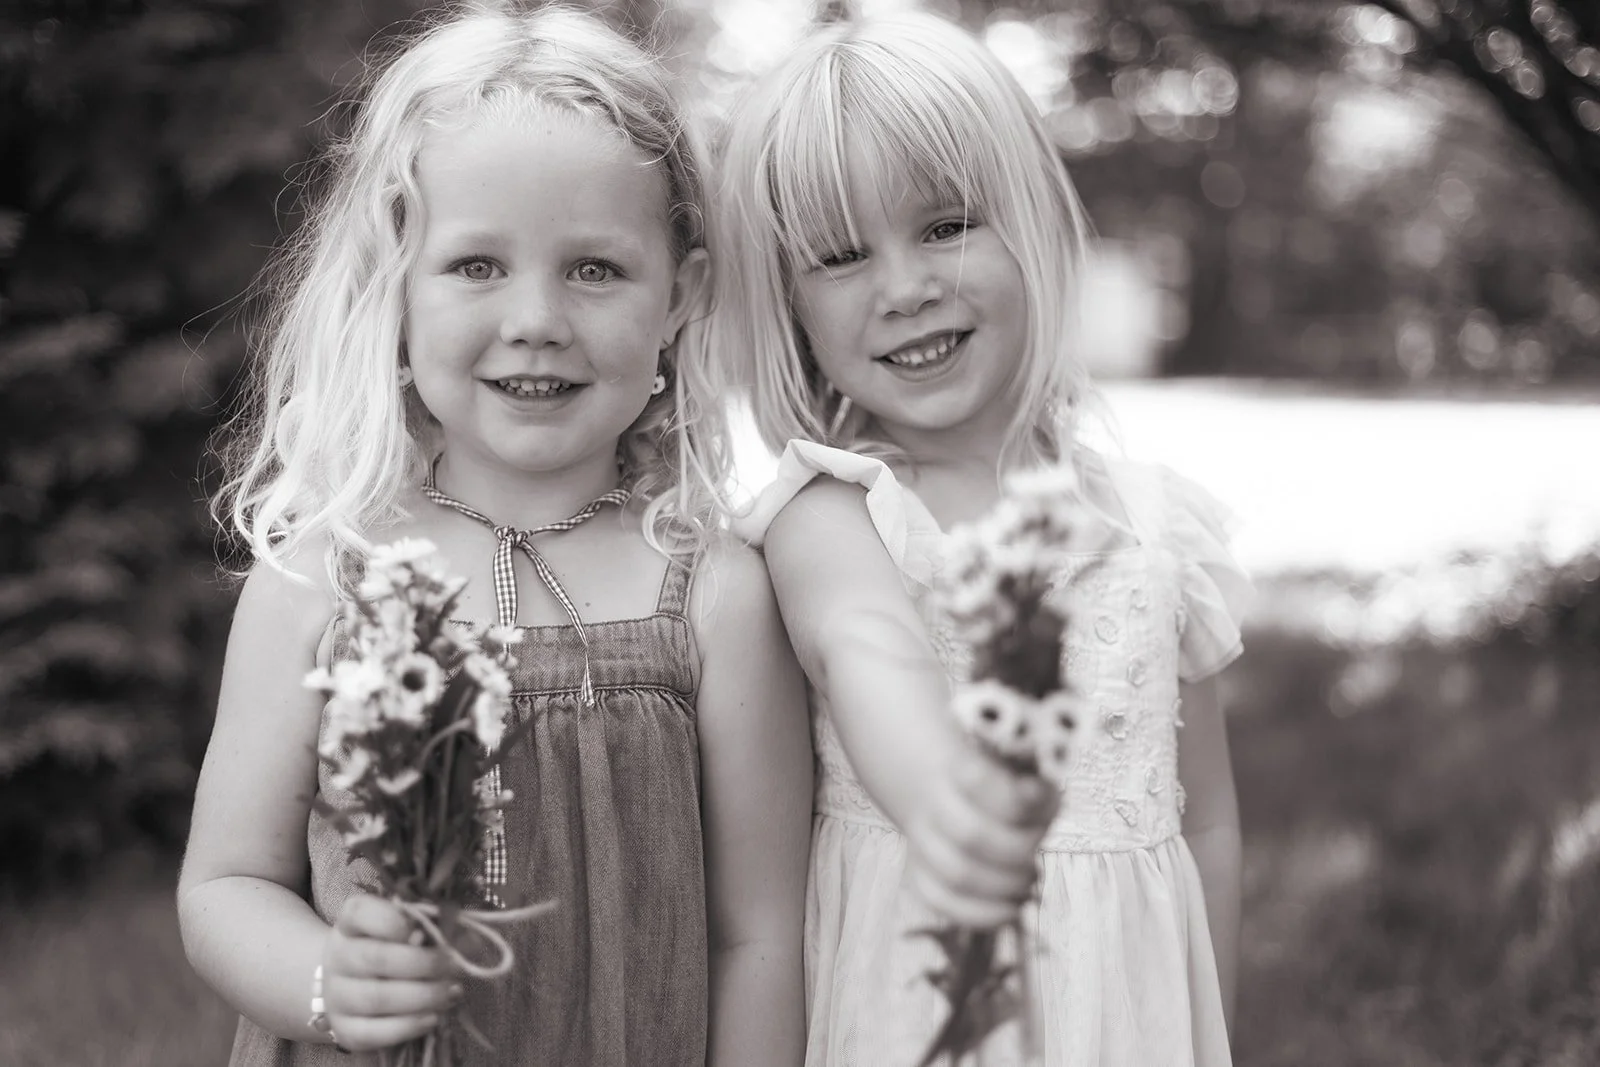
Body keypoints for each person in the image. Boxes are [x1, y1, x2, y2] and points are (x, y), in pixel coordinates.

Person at [178, 6, 811, 1065]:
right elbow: (225, 884)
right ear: (396, 285)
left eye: (595, 269)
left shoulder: (715, 593)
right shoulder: (325, 577)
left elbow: (757, 934)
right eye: (477, 265)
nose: (536, 317)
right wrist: (329, 980)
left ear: (680, 298)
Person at [692, 10, 1251, 1065]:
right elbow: (868, 646)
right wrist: (946, 800)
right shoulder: (836, 507)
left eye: (945, 225)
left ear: (1032, 220)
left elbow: (1207, 820)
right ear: (789, 305)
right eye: (842, 256)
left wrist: (1205, 1020)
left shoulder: (1149, 520)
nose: (905, 288)